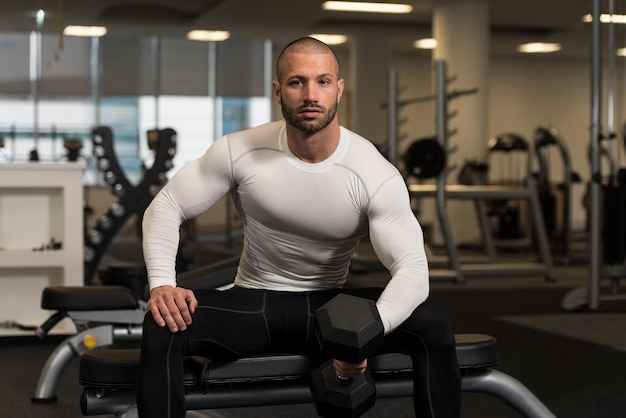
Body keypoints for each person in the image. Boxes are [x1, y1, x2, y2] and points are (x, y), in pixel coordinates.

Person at [137, 36, 461, 418]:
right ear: (278, 91)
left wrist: (364, 333)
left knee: (433, 323)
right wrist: (162, 283)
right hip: (253, 304)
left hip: (331, 310)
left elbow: (413, 270)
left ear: (339, 89)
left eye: (323, 82)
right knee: (162, 324)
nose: (311, 94)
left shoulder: (373, 173)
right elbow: (167, 205)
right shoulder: (240, 150)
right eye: (297, 82)